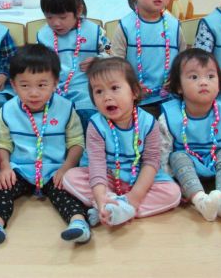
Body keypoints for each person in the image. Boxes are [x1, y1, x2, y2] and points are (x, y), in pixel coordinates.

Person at [0, 45, 91, 249]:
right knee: (2, 188)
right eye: (25, 85)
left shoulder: (66, 108)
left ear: (55, 83)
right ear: (13, 85)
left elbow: (76, 142)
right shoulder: (7, 110)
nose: (34, 93)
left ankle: (79, 223)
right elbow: (2, 143)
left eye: (42, 85)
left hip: (54, 169)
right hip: (20, 169)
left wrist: (66, 168)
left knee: (68, 191)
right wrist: (5, 167)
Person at [62, 58, 180, 228]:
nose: (107, 97)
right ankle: (108, 204)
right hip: (107, 177)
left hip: (138, 177)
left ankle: (119, 209)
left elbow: (151, 162)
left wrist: (135, 197)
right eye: (98, 91)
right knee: (70, 178)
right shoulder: (96, 125)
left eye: (114, 88)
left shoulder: (149, 123)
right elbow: (97, 164)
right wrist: (100, 196)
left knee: (173, 193)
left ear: (134, 92)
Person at [159, 49, 221, 221]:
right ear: (179, 87)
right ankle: (200, 200)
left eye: (210, 76)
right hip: (186, 166)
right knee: (177, 156)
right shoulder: (169, 117)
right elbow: (162, 154)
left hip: (215, 161)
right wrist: (172, 182)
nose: (203, 82)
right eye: (194, 77)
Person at [36, 0, 111, 128]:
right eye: (49, 17)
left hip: (85, 91)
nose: (56, 23)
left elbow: (112, 54)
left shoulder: (94, 32)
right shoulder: (43, 35)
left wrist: (99, 61)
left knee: (88, 117)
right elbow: (37, 65)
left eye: (63, 17)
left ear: (78, 10)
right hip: (52, 91)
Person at [111, 0, 183, 112]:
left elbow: (183, 61)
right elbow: (116, 64)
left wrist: (176, 81)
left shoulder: (174, 26)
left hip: (170, 98)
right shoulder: (125, 26)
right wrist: (130, 86)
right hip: (134, 99)